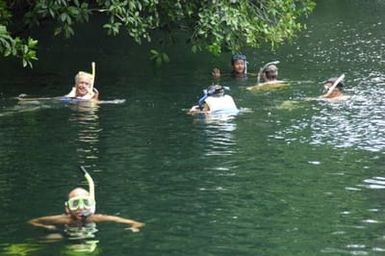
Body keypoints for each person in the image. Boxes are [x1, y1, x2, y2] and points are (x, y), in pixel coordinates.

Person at [28, 169, 144, 233]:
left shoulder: (95, 218)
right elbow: (33, 222)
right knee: (54, 238)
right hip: (66, 235)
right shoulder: (62, 219)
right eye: (75, 204)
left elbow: (135, 222)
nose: (81, 207)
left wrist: (134, 226)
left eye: (85, 203)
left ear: (91, 205)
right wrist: (46, 227)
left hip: (87, 238)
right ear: (67, 208)